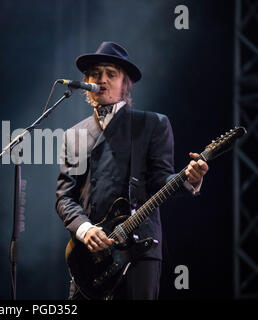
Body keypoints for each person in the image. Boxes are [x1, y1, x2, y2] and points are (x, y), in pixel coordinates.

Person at [55, 41, 209, 300]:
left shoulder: (152, 124)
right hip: (89, 258)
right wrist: (84, 229)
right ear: (86, 82)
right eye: (95, 74)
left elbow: (162, 179)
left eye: (111, 74)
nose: (102, 80)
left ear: (125, 83)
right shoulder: (74, 135)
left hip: (138, 251)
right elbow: (65, 197)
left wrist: (189, 179)